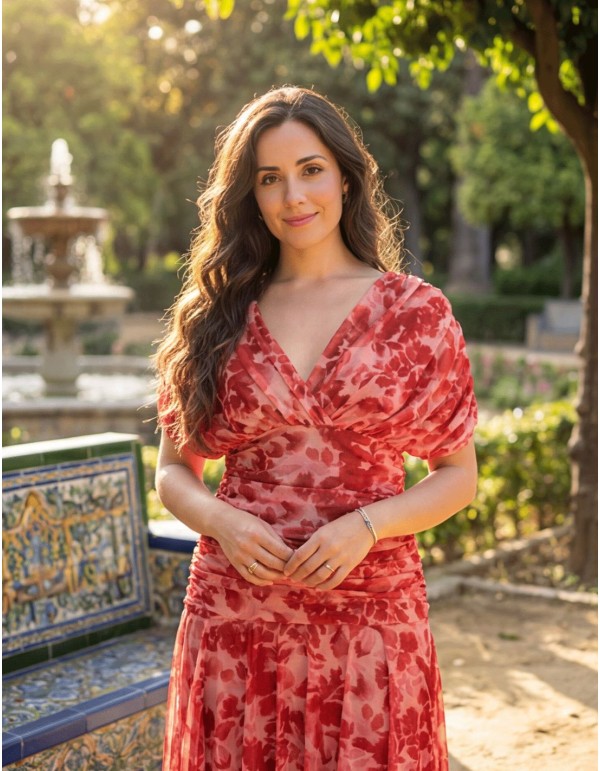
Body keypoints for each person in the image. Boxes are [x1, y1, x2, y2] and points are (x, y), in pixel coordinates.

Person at [155, 85, 478, 771]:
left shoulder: (415, 313)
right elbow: (173, 472)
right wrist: (223, 520)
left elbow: (457, 476)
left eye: (310, 170)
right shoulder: (214, 314)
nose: (292, 197)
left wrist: (366, 525)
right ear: (249, 194)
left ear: (344, 176)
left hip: (371, 624)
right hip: (233, 621)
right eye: (269, 179)